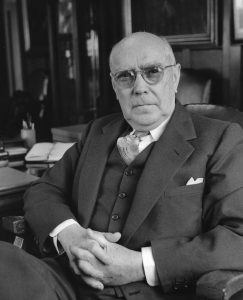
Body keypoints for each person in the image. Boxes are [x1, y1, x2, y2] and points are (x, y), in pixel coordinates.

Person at [1, 31, 243, 300]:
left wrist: (140, 265)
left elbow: (238, 238)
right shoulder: (98, 131)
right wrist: (71, 236)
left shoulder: (222, 139)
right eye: (125, 76)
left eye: (152, 72)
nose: (139, 87)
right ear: (115, 86)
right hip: (65, 281)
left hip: (150, 292)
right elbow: (43, 189)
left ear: (174, 77)